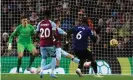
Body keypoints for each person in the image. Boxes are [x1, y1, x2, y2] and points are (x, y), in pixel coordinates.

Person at [36, 10, 57, 78]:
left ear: (44, 15)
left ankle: (42, 72)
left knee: (44, 58)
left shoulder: (40, 23)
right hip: (50, 44)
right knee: (53, 57)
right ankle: (52, 73)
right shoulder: (52, 23)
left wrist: (41, 38)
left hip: (42, 44)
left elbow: (37, 33)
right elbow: (53, 34)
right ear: (50, 15)